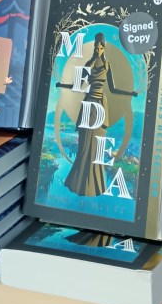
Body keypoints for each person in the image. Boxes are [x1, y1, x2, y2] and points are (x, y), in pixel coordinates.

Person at [58, 33, 138, 196]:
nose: (98, 50)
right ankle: (79, 183)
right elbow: (78, 85)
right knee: (85, 143)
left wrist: (129, 93)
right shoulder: (89, 63)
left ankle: (94, 185)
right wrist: (62, 84)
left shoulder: (107, 65)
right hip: (89, 103)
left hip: (101, 104)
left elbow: (113, 88)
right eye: (96, 47)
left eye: (101, 47)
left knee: (96, 145)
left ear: (104, 48)